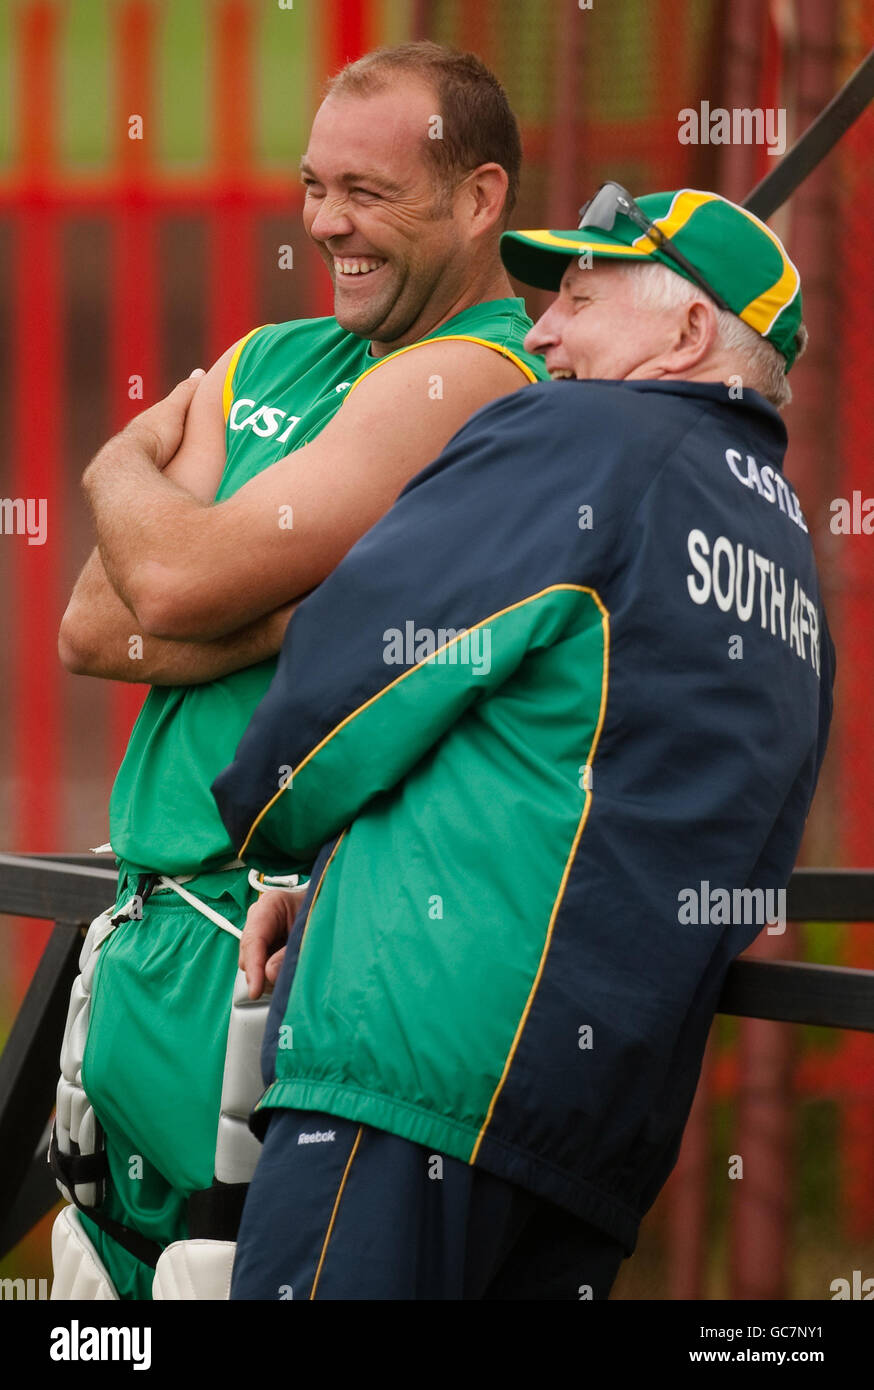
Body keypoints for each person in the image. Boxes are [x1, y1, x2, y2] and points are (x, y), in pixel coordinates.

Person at [212, 185, 835, 1300]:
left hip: (410, 1078)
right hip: (595, 1137)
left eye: (578, 300)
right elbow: (599, 802)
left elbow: (364, 659)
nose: (537, 332)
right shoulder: (791, 574)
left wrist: (265, 827)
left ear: (687, 333)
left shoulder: (586, 432)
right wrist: (342, 889)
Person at [50, 41, 549, 1302]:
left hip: (278, 955)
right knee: (97, 1297)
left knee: (217, 1285)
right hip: (142, 934)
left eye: (369, 192)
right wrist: (288, 602)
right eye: (314, 185)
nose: (327, 223)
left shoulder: (481, 376)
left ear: (480, 197)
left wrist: (124, 479)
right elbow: (91, 625)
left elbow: (155, 586)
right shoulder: (279, 354)